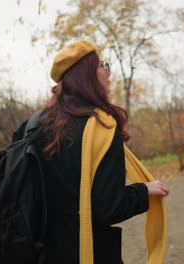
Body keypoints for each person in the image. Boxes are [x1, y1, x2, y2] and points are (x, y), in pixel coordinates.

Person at [14, 40, 170, 264]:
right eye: (103, 66)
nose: (108, 74)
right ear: (86, 76)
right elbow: (108, 208)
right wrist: (142, 191)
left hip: (35, 251)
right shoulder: (102, 129)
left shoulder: (32, 125)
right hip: (86, 252)